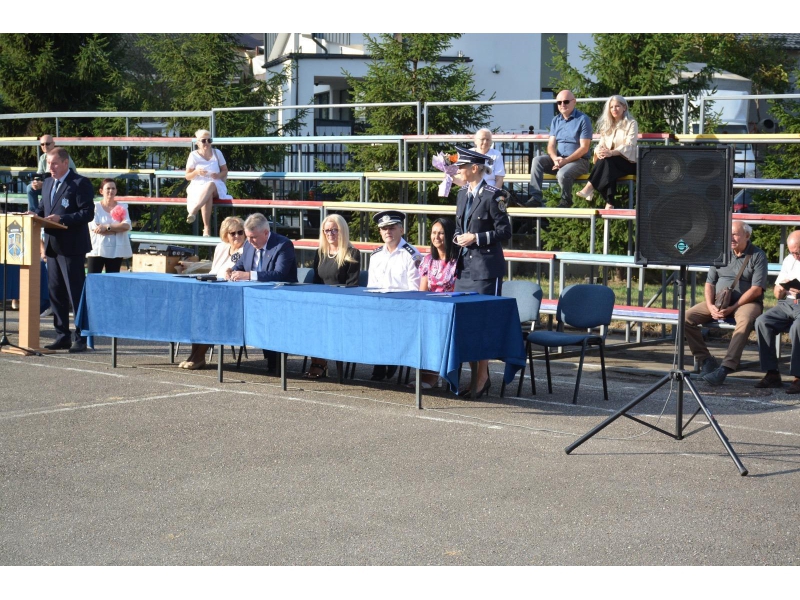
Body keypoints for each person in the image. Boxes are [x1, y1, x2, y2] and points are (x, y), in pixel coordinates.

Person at [453, 146, 512, 397]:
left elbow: (505, 231)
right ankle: (474, 375)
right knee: (465, 325)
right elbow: (459, 226)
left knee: (483, 324)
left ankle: (482, 377)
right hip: (465, 268)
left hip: (486, 269)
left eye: (462, 166)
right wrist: (458, 237)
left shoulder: (493, 195)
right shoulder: (462, 194)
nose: (459, 170)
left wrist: (475, 238)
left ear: (475, 168)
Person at [684, 221, 768, 386]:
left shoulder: (758, 255)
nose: (731, 238)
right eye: (728, 234)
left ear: (747, 236)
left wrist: (733, 307)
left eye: (735, 234)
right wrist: (710, 306)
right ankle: (706, 361)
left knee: (745, 320)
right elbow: (709, 283)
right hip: (718, 301)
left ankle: (725, 367)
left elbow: (757, 289)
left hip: (747, 303)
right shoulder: (720, 253)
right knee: (686, 317)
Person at [30, 147, 94, 352]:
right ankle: (62, 335)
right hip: (52, 246)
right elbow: (43, 209)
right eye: (49, 163)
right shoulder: (48, 182)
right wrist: (33, 214)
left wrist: (63, 219)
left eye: (55, 163)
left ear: (65, 163)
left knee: (75, 294)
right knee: (56, 293)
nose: (51, 167)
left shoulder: (80, 183)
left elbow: (88, 213)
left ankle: (81, 337)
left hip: (72, 247)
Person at [180, 216, 247, 370]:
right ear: (226, 234)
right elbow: (214, 271)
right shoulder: (221, 247)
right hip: (211, 290)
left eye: (240, 232)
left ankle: (199, 355)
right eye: (233, 233)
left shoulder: (247, 250)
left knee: (212, 314)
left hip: (232, 296)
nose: (237, 236)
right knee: (195, 311)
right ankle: (194, 354)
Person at [304, 214, 361, 379]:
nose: (330, 234)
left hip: (341, 306)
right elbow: (316, 282)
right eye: (327, 230)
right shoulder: (320, 253)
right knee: (308, 319)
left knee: (324, 321)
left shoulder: (352, 253)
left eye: (334, 230)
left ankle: (320, 363)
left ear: (342, 231)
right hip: (321, 303)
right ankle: (318, 362)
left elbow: (352, 285)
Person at [367, 210, 422, 380]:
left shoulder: (412, 255)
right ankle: (381, 361)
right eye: (384, 229)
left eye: (391, 228)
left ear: (401, 230)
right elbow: (371, 287)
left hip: (402, 309)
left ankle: (388, 360)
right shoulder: (375, 256)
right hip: (380, 308)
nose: (387, 232)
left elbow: (414, 290)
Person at [414, 217, 459, 389]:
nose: (436, 237)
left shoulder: (458, 261)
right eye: (434, 233)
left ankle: (433, 375)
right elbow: (423, 290)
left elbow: (458, 289)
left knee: (437, 328)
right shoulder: (428, 260)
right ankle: (426, 371)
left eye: (441, 233)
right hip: (430, 307)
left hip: (449, 309)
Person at [527, 90, 592, 208]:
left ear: (574, 102)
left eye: (566, 101)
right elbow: (551, 145)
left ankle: (566, 201)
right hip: (560, 160)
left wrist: (565, 161)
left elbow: (584, 148)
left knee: (562, 174)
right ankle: (535, 197)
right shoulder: (556, 120)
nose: (562, 105)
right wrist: (555, 158)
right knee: (537, 160)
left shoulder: (583, 119)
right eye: (559, 102)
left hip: (580, 161)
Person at [754, 229, 800, 393]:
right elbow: (776, 293)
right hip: (787, 303)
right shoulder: (789, 260)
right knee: (762, 322)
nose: (795, 256)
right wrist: (780, 288)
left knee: (798, 327)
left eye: (798, 253)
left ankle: (798, 377)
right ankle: (772, 373)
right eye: (793, 252)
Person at [576, 95, 638, 209]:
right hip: (611, 162)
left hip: (628, 162)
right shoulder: (607, 125)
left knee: (608, 160)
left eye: (617, 106)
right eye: (611, 107)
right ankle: (609, 203)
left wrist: (611, 153)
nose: (614, 109)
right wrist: (599, 151)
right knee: (606, 162)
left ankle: (590, 187)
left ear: (624, 107)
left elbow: (630, 145)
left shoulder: (631, 123)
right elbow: (601, 144)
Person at [185, 129, 231, 237]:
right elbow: (187, 176)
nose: (207, 143)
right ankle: (206, 229)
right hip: (198, 186)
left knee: (210, 185)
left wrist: (218, 175)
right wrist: (196, 172)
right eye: (203, 140)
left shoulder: (217, 153)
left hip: (216, 184)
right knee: (207, 195)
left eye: (209, 140)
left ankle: (194, 211)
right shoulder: (193, 155)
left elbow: (225, 170)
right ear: (198, 143)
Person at [226, 213, 297, 283]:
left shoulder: (283, 245)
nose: (249, 241)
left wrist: (250, 275)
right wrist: (231, 272)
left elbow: (279, 274)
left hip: (279, 289)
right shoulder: (248, 245)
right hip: (251, 288)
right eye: (247, 236)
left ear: (266, 233)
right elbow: (239, 266)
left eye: (253, 237)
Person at [87, 179, 132, 274]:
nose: (110, 191)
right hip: (97, 249)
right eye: (108, 188)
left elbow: (127, 225)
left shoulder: (122, 207)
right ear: (101, 191)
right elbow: (96, 228)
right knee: (93, 278)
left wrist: (107, 227)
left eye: (113, 188)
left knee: (112, 279)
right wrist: (118, 229)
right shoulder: (94, 207)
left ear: (116, 191)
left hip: (116, 251)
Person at [27, 134, 76, 212]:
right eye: (42, 144)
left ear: (53, 144)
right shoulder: (42, 158)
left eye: (47, 144)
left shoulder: (62, 156)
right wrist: (36, 182)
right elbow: (39, 175)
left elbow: (68, 174)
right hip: (47, 185)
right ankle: (34, 214)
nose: (45, 146)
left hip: (64, 186)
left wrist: (44, 185)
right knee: (30, 188)